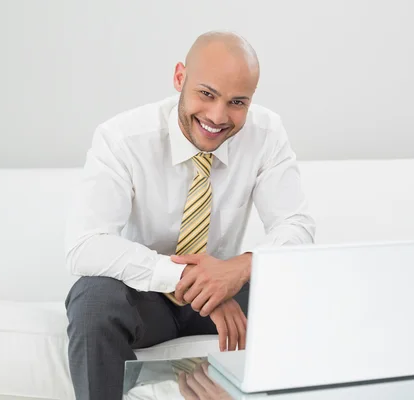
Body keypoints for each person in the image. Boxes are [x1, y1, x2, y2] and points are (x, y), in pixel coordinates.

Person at [64, 31, 315, 400]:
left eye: (237, 102)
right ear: (180, 78)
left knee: (306, 290)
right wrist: (193, 281)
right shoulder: (121, 139)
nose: (218, 116)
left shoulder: (266, 134)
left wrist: (239, 270)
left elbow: (297, 226)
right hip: (147, 295)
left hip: (225, 283)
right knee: (93, 299)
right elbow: (84, 245)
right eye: (207, 94)